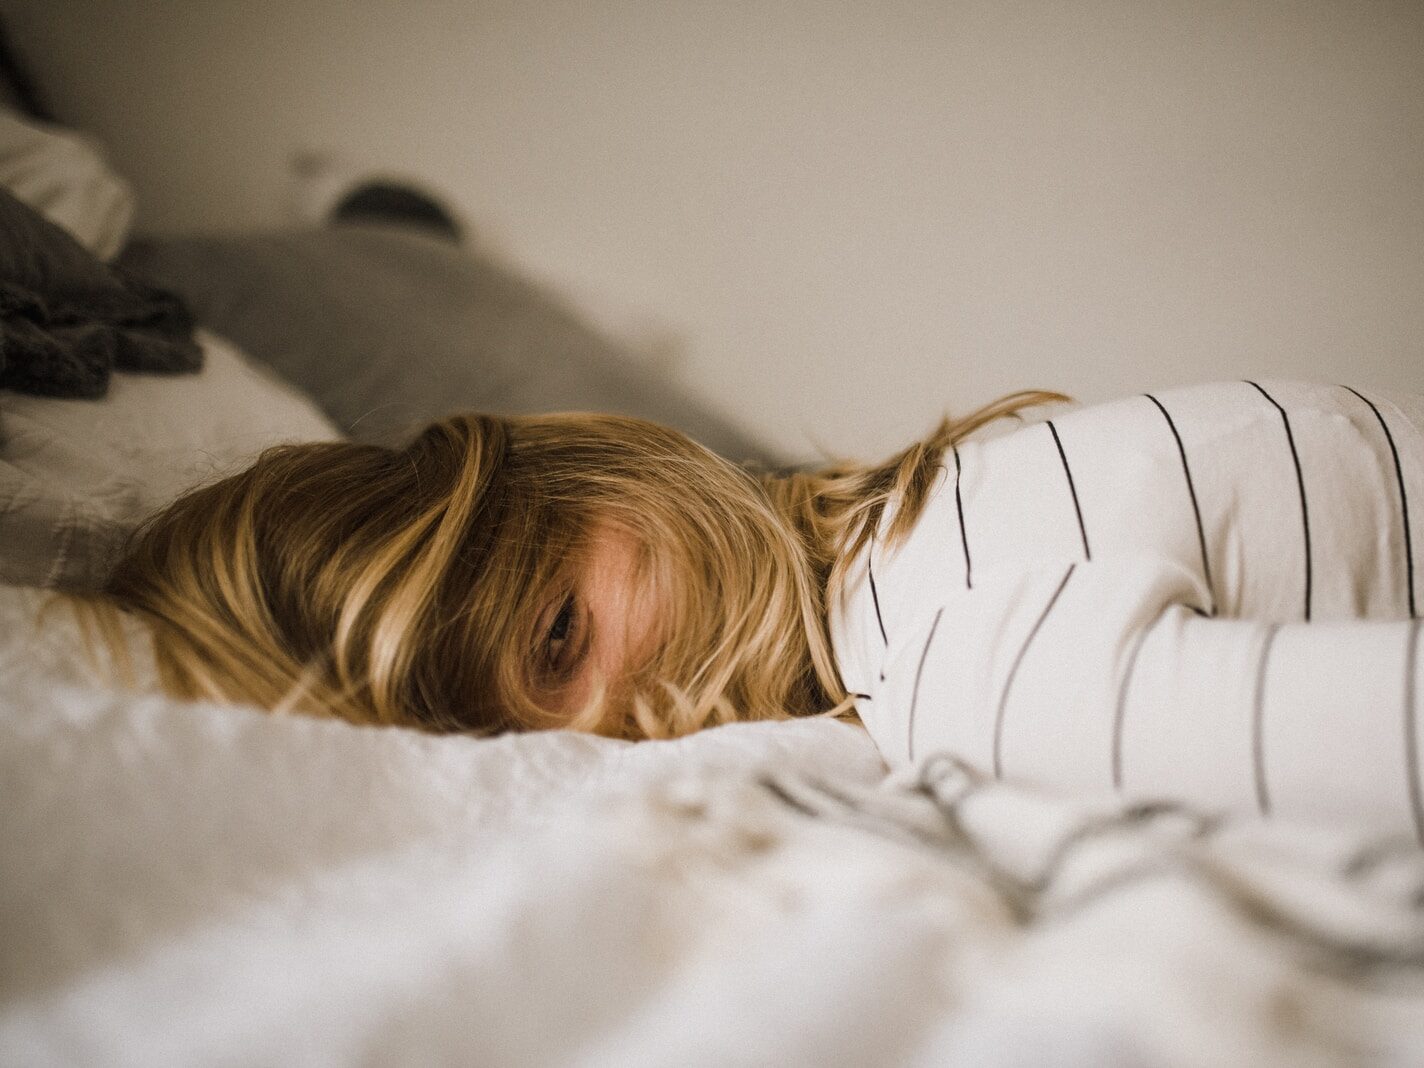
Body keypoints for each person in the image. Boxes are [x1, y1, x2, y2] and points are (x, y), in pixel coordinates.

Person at [86, 381, 1424, 834]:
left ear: (597, 470)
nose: (624, 733)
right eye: (545, 748)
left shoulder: (951, 657)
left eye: (561, 638)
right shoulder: (916, 536)